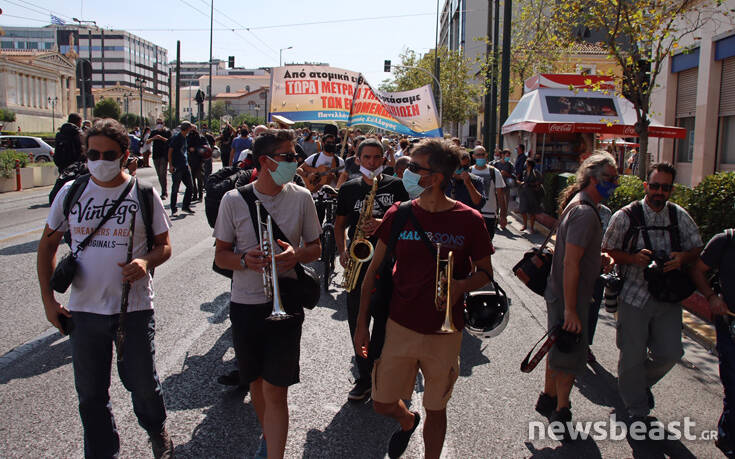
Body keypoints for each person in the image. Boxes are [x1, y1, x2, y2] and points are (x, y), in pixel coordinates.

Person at [36, 118, 173, 458]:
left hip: (134, 311)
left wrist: (145, 263)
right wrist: (48, 302)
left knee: (142, 387)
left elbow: (164, 245)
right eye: (93, 153)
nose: (100, 160)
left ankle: (156, 429)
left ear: (126, 154)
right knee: (91, 395)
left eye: (108, 154)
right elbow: (47, 246)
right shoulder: (72, 193)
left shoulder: (143, 194)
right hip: (84, 314)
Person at [354, 138, 493, 459]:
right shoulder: (399, 214)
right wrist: (362, 325)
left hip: (445, 331)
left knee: (436, 407)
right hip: (399, 326)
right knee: (382, 402)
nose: (407, 171)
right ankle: (406, 420)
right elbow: (372, 272)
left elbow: (486, 273)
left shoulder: (470, 220)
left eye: (416, 168)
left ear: (437, 177)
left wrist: (460, 286)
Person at [213, 129, 321, 459]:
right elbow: (220, 255)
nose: (296, 162)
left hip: (285, 301)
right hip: (246, 304)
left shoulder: (302, 197)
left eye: (295, 156)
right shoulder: (233, 200)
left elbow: (316, 248)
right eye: (288, 157)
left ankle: (274, 453)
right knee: (257, 383)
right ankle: (268, 435)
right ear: (266, 161)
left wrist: (295, 256)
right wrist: (245, 260)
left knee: (276, 388)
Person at [602, 162, 703, 426]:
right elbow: (607, 250)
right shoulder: (626, 216)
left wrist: (682, 258)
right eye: (655, 186)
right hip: (633, 295)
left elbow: (697, 248)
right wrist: (633, 258)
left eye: (665, 187)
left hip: (667, 297)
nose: (660, 192)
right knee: (632, 353)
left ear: (672, 189)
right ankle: (637, 409)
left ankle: (634, 384)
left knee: (670, 352)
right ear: (646, 185)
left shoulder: (678, 216)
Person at [535, 152, 617, 440]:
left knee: (557, 348)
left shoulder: (579, 203)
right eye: (610, 178)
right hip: (570, 297)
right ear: (593, 178)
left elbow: (574, 255)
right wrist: (571, 309)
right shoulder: (584, 211)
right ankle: (562, 409)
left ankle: (548, 397)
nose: (615, 184)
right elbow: (571, 263)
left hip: (562, 293)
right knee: (568, 353)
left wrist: (598, 258)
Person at [335, 138, 409, 402]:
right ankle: (364, 377)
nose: (372, 162)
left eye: (377, 157)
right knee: (357, 321)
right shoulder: (349, 188)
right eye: (366, 158)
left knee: (385, 322)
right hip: (359, 262)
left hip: (389, 263)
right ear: (357, 159)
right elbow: (339, 225)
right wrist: (343, 251)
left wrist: (383, 222)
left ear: (384, 159)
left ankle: (380, 369)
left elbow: (408, 221)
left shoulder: (397, 186)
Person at [691, 228, 735, 457]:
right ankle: (728, 437)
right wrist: (711, 297)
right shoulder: (726, 240)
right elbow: (698, 270)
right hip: (730, 323)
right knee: (733, 381)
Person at [470, 146, 506, 241]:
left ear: (486, 155)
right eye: (478, 155)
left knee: (486, 244)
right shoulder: (469, 171)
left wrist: (503, 215)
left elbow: (500, 195)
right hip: (472, 214)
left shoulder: (494, 172)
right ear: (474, 156)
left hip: (489, 215)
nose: (481, 157)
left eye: (483, 154)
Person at [168, 121, 196, 216]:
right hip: (177, 166)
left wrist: (188, 164)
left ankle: (185, 206)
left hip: (184, 165)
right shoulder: (177, 138)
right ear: (187, 129)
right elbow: (170, 151)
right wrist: (170, 165)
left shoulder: (185, 138)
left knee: (190, 186)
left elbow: (184, 152)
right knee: (175, 188)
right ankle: (173, 208)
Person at [518, 159, 543, 233]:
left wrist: (531, 184)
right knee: (523, 210)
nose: (525, 164)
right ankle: (525, 225)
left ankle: (531, 227)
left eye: (526, 163)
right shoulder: (525, 172)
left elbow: (540, 181)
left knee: (532, 211)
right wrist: (521, 183)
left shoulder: (536, 173)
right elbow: (524, 181)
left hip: (532, 194)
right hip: (524, 193)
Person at [149, 119, 172, 199]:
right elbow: (147, 141)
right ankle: (163, 190)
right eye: (158, 123)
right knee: (159, 174)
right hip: (155, 155)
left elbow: (170, 141)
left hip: (164, 155)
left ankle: (164, 192)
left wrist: (161, 138)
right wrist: (153, 138)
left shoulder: (167, 132)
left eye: (161, 123)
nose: (159, 124)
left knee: (163, 173)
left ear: (164, 123)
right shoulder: (154, 132)